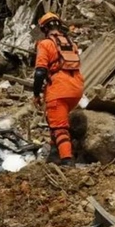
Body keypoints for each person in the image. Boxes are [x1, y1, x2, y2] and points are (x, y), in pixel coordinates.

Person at [33, 12, 84, 166]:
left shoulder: (45, 44)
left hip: (58, 89)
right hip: (76, 88)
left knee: (59, 127)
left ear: (43, 28)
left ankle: (67, 161)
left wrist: (36, 94)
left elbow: (40, 71)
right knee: (55, 121)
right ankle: (54, 154)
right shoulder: (71, 43)